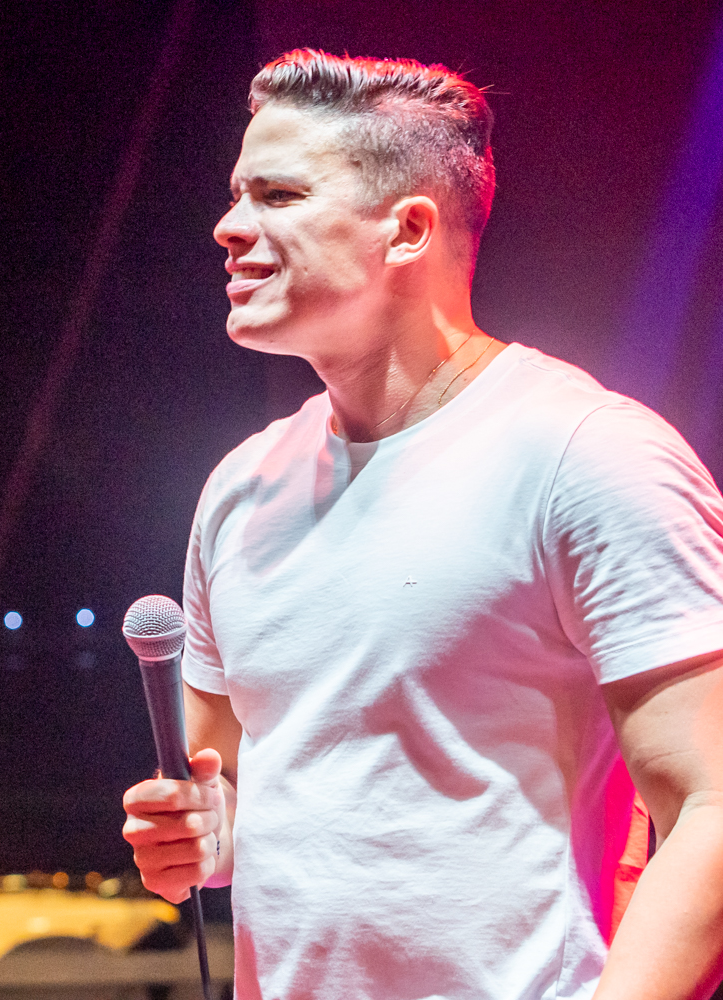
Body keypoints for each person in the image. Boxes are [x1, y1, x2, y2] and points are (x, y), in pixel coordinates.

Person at [120, 50, 723, 999]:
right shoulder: (240, 486)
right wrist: (196, 835)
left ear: (407, 230)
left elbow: (710, 807)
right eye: (237, 195)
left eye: (278, 195)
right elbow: (230, 789)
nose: (229, 227)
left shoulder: (585, 455)